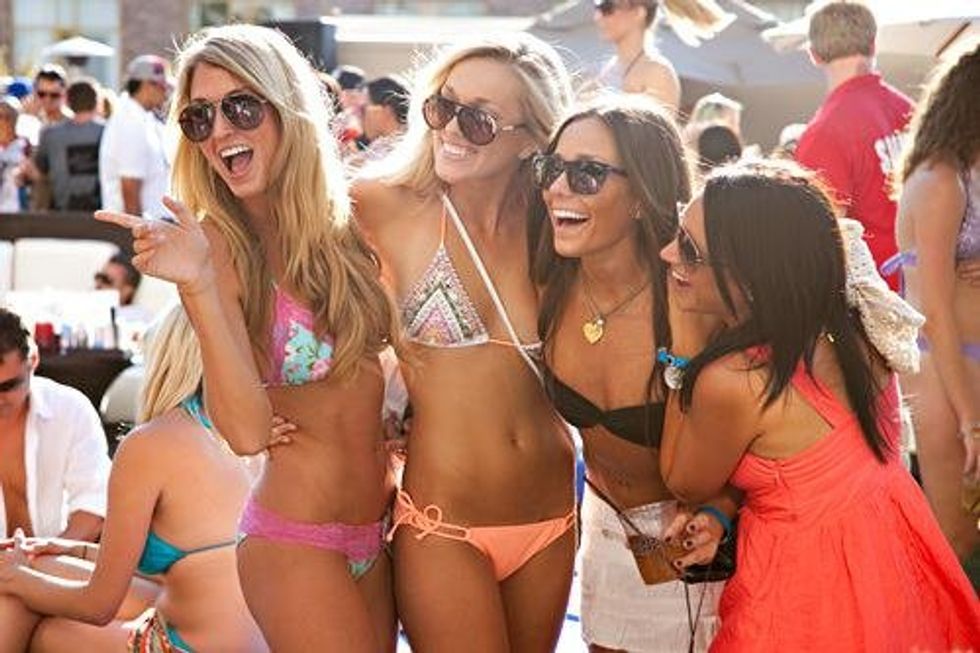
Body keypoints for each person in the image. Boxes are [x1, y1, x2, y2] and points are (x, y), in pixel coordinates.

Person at [97, 24, 399, 651]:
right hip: (293, 540)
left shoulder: (357, 219)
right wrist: (198, 286)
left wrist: (401, 407)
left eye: (240, 107)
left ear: (285, 105)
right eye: (199, 118)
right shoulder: (218, 249)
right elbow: (245, 432)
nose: (219, 131)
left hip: (383, 529)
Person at [657, 159, 980, 650]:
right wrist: (723, 510)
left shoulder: (734, 380)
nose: (667, 254)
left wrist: (683, 345)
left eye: (689, 248)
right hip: (892, 569)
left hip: (805, 596)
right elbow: (802, 468)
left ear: (749, 275)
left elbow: (683, 480)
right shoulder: (853, 323)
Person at [354, 34, 577, 651]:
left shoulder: (558, 223)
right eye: (443, 106)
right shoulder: (382, 205)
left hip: (552, 519)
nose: (452, 129)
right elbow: (281, 242)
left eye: (478, 119)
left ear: (530, 139)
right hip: (443, 524)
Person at [531, 94, 730, 652]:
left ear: (642, 195)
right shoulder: (548, 283)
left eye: (588, 174)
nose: (558, 188)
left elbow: (751, 438)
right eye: (552, 168)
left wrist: (720, 510)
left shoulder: (693, 299)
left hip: (692, 542)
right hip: (602, 530)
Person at [0, 305, 267, 652]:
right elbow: (192, 566)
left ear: (161, 361)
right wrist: (72, 550)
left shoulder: (151, 443)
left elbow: (98, 606)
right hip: (245, 636)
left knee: (43, 626)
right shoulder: (250, 437)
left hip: (188, 641)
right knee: (38, 568)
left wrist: (15, 578)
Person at [884, 44, 980, 574]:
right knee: (956, 540)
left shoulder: (961, 176)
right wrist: (970, 419)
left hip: (961, 366)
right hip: (946, 372)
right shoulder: (941, 182)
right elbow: (936, 314)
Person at [795, 0, 913, 291]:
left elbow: (820, 241)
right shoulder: (911, 111)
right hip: (928, 283)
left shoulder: (823, 132)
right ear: (873, 45)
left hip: (875, 297)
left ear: (814, 55)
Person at [0, 307, 109, 542]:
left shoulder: (71, 410)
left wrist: (47, 556)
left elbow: (94, 507)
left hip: (56, 559)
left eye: (7, 386)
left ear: (33, 361)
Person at [591, 0, 730, 112]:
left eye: (607, 7)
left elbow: (656, 137)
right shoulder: (606, 70)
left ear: (638, 13)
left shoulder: (657, 72)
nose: (597, 17)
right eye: (597, 6)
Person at [99, 54, 172, 218]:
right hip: (141, 227)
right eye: (163, 87)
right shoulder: (130, 122)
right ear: (147, 85)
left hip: (154, 224)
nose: (166, 93)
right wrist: (137, 231)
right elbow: (130, 188)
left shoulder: (142, 117)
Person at [30, 78, 105, 211]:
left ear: (68, 101)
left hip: (62, 214)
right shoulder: (108, 131)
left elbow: (40, 171)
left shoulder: (50, 134)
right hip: (102, 212)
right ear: (96, 102)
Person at [0, 97, 28, 211]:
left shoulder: (26, 146)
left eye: (9, 117)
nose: (4, 122)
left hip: (17, 210)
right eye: (0, 116)